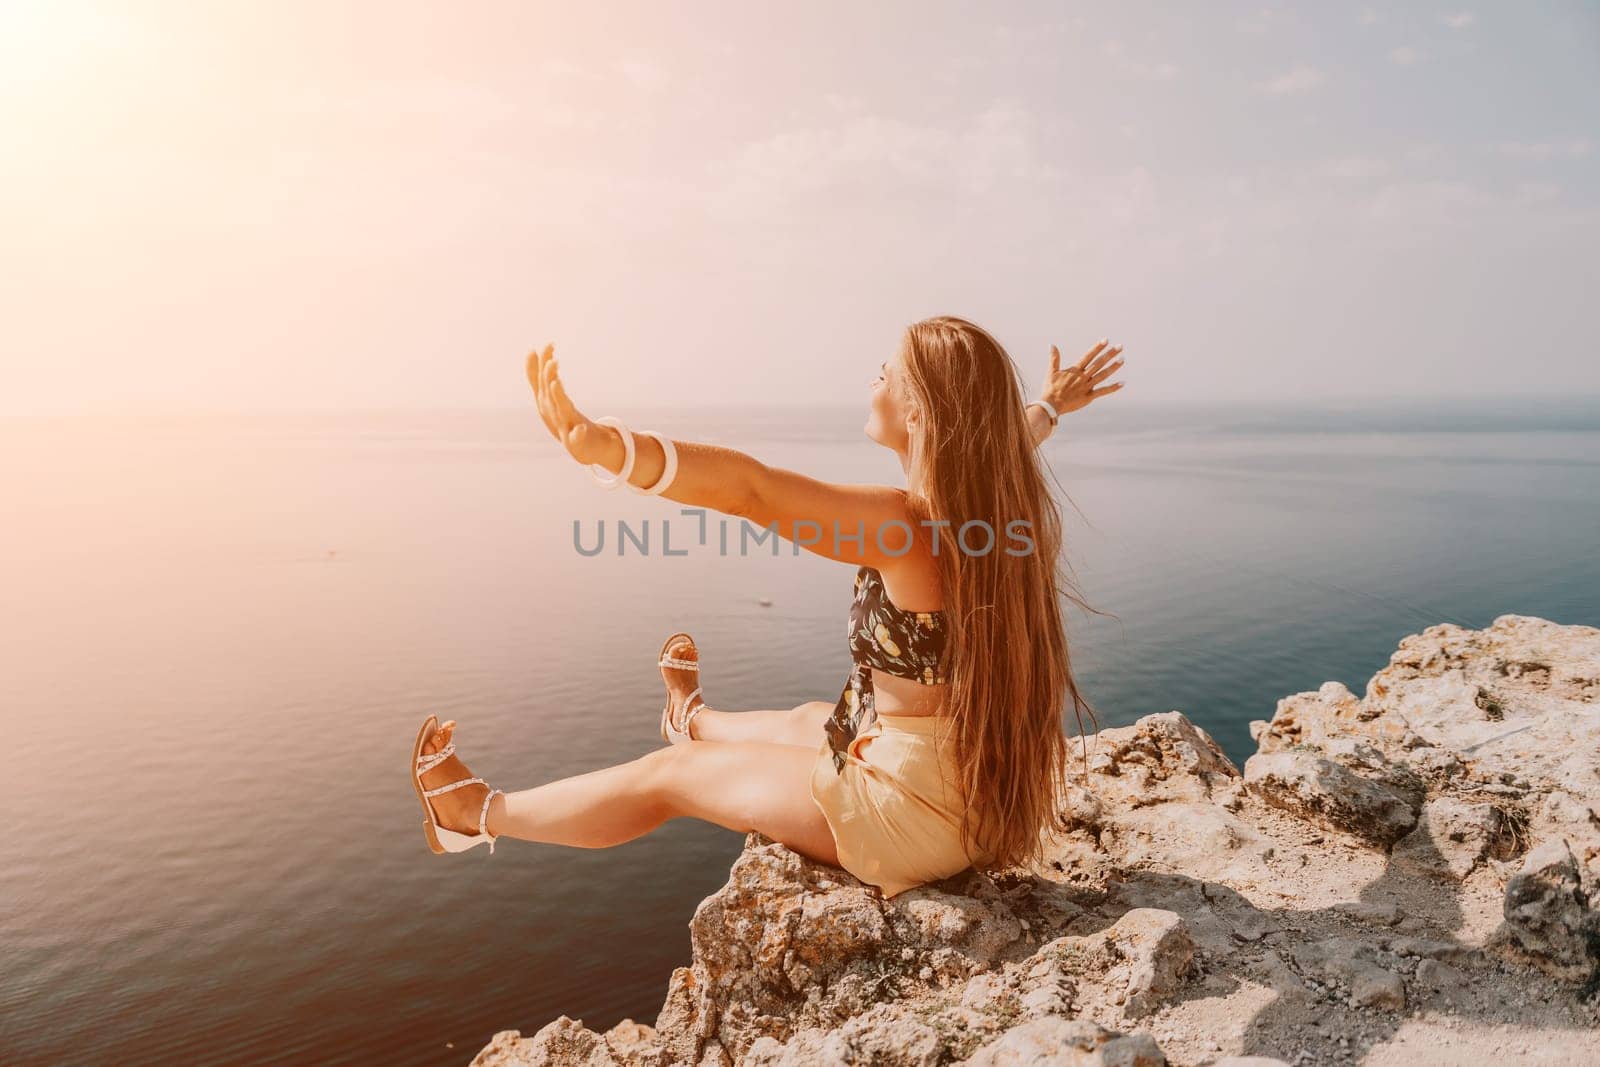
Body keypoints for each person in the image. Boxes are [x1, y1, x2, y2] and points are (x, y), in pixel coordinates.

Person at [409, 316, 1125, 897]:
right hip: (965, 792)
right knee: (809, 720)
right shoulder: (994, 501)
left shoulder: (905, 526)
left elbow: (752, 490)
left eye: (887, 370)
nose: (872, 377)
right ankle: (690, 718)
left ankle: (472, 814)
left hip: (913, 817)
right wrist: (1052, 405)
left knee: (671, 779)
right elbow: (1009, 435)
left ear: (919, 409)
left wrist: (610, 449)